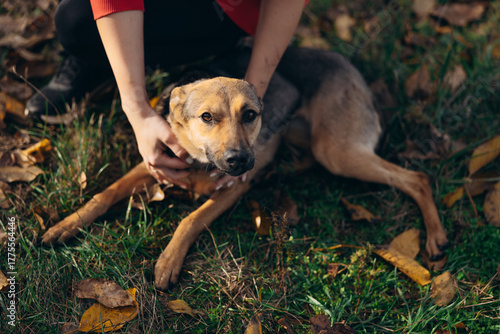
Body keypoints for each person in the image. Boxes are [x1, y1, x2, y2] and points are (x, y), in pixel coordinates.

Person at [27, 0, 306, 188]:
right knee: (77, 20)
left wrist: (252, 91)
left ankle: (217, 48)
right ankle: (95, 56)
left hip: (222, 11)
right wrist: (137, 110)